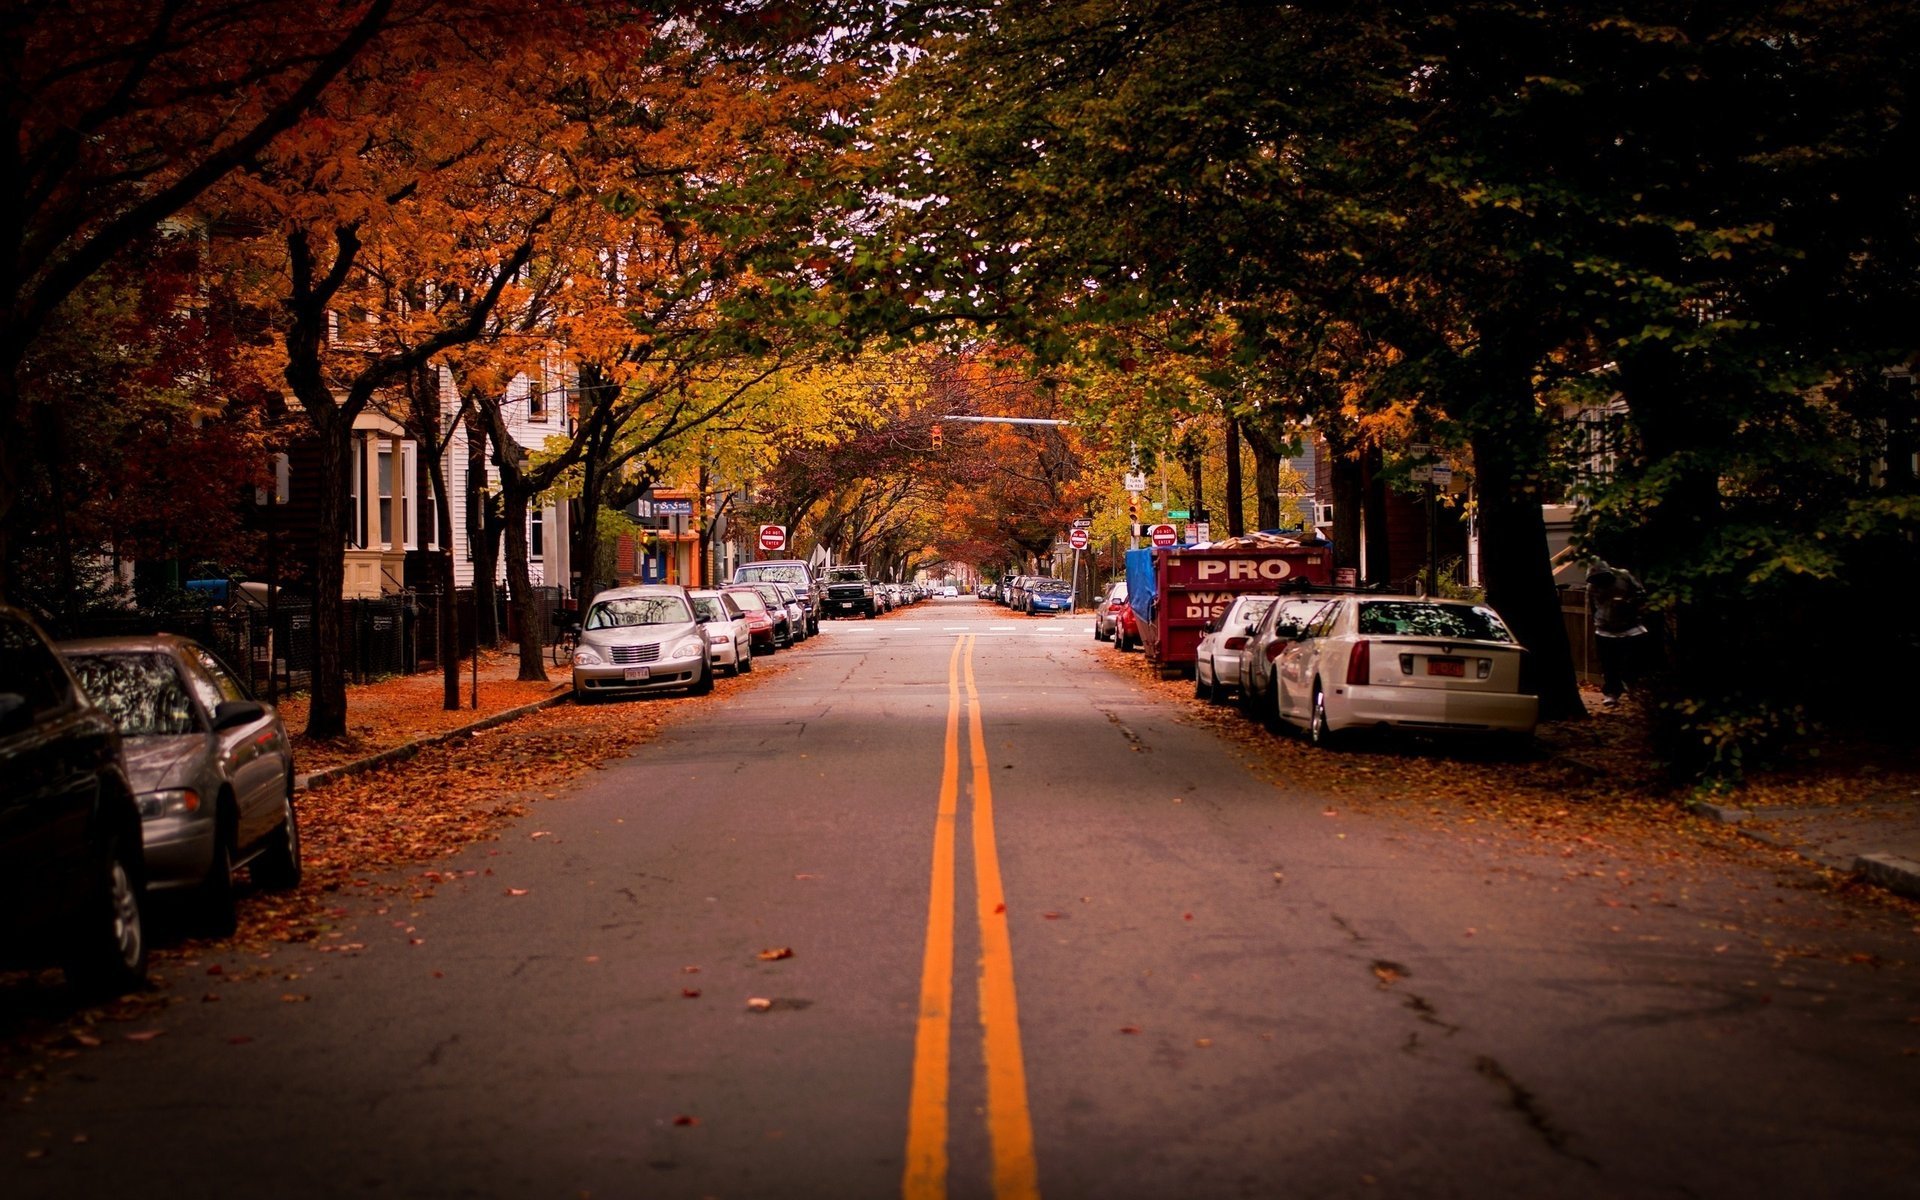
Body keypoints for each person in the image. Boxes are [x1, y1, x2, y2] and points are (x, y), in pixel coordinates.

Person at [1586, 564, 1650, 706]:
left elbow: (1641, 594)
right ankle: (1612, 693)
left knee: (1633, 660)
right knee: (1609, 664)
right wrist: (1598, 621)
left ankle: (1633, 686)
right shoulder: (1592, 587)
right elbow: (1592, 606)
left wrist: (1630, 604)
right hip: (1605, 629)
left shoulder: (1624, 577)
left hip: (1630, 627)